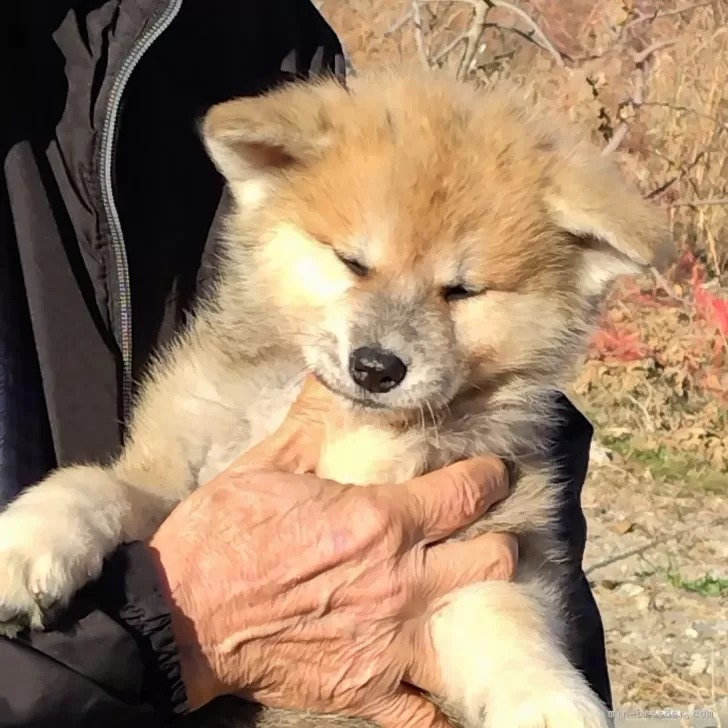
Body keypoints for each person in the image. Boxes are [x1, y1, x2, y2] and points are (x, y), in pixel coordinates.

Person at [0, 0, 612, 726]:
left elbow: (480, 572)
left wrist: (523, 676)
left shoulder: (249, 33)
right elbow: (148, 485)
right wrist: (99, 541)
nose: (385, 342)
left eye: (460, 290)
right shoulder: (225, 365)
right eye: (353, 263)